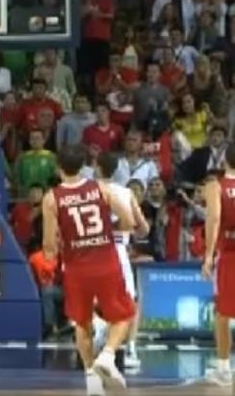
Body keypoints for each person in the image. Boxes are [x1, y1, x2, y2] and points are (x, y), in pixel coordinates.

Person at [42, 144, 136, 396]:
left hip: (76, 267)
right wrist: (107, 233)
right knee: (124, 314)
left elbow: (49, 246)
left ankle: (91, 377)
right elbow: (129, 221)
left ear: (58, 167)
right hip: (106, 261)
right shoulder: (102, 189)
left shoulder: (51, 198)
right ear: (83, 165)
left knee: (82, 322)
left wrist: (60, 245)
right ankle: (108, 354)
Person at [93, 151, 150, 369]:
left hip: (89, 249)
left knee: (89, 298)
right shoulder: (126, 193)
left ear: (97, 167)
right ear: (117, 169)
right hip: (117, 249)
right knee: (129, 302)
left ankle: (99, 329)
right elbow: (143, 229)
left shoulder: (86, 192)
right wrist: (128, 227)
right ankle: (130, 347)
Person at [202, 143, 235, 386]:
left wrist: (208, 255)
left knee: (223, 314)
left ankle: (224, 368)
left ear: (224, 161)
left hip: (230, 254)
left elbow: (214, 219)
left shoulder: (216, 186)